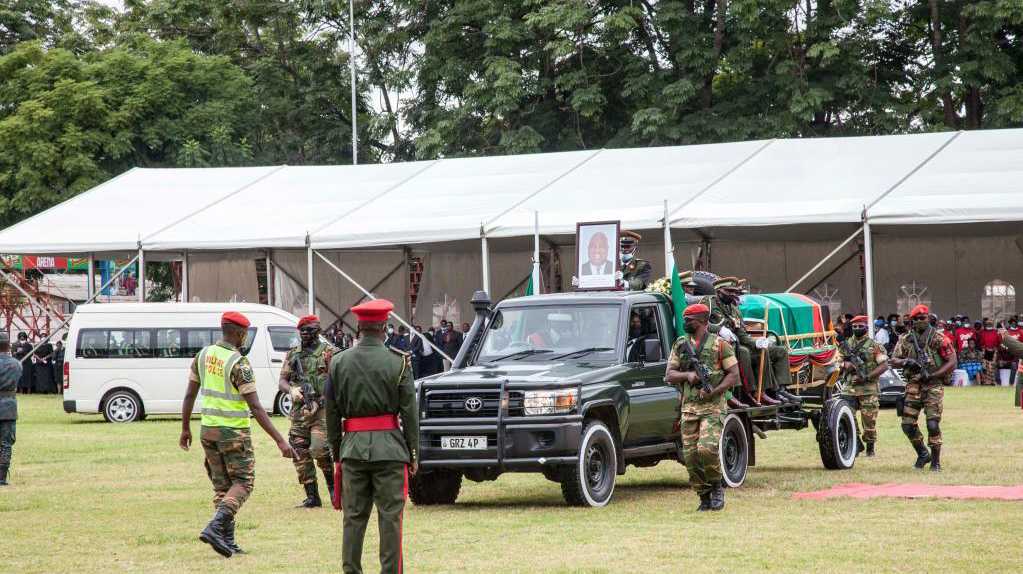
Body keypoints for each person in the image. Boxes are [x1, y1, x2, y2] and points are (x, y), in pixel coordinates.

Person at [179, 311, 295, 558]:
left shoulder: (203, 355)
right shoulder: (238, 362)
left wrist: (185, 428)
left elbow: (189, 395)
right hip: (233, 433)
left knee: (223, 487)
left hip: (207, 431)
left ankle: (227, 541)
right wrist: (280, 441)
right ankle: (214, 527)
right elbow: (255, 407)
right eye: (245, 334)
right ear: (239, 333)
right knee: (243, 483)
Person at [325, 299, 419, 574]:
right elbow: (409, 414)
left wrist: (337, 454)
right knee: (390, 520)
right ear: (383, 327)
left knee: (353, 519)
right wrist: (413, 453)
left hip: (352, 450)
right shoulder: (398, 362)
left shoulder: (338, 362)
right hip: (390, 450)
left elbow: (331, 414)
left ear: (359, 327)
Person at [664, 303, 739, 511]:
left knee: (706, 449)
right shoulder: (681, 344)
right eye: (685, 319)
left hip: (713, 407)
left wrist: (714, 390)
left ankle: (716, 486)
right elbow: (669, 374)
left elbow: (733, 374)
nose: (685, 323)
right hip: (689, 408)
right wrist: (688, 375)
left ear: (703, 322)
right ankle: (704, 495)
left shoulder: (720, 345)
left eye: (689, 320)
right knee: (690, 456)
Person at [702, 276, 796, 407]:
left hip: (736, 343)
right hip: (716, 345)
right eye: (729, 292)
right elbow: (699, 323)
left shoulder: (734, 309)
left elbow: (741, 333)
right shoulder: (708, 304)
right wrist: (719, 329)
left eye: (734, 292)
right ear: (719, 291)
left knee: (764, 351)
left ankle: (767, 391)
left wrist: (756, 343)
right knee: (744, 352)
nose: (733, 295)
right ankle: (747, 392)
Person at [279, 315, 337, 508]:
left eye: (309, 330)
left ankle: (334, 491)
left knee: (320, 449)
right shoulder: (293, 354)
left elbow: (337, 381)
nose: (305, 334)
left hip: (321, 411)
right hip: (299, 411)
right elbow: (282, 381)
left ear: (318, 330)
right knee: (299, 452)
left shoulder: (329, 353)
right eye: (302, 330)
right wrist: (291, 390)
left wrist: (321, 401)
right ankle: (312, 497)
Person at [889, 304, 956, 472]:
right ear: (912, 321)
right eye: (917, 319)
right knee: (907, 424)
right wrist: (906, 362)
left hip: (933, 385)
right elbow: (894, 359)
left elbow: (952, 361)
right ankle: (922, 454)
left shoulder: (938, 338)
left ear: (929, 318)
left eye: (923, 318)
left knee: (932, 424)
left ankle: (935, 461)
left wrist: (933, 375)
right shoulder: (905, 339)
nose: (920, 321)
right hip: (913, 385)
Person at [838, 316, 888, 457]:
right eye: (855, 326)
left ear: (866, 327)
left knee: (869, 422)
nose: (857, 329)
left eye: (860, 326)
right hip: (849, 387)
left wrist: (866, 377)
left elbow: (884, 365)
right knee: (848, 418)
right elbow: (837, 362)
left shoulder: (874, 345)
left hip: (868, 388)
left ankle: (870, 448)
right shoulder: (845, 344)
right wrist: (845, 365)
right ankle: (856, 444)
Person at [0, 333, 23, 486]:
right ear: (8, 345)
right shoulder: (16, 364)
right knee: (6, 444)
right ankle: (1, 477)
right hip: (8, 407)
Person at [978, 319, 1000, 386]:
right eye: (988, 324)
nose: (989, 325)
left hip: (994, 351)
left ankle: (992, 381)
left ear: (992, 324)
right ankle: (986, 382)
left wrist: (995, 348)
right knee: (985, 367)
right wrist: (984, 348)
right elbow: (980, 343)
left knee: (992, 367)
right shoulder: (982, 332)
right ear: (986, 325)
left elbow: (998, 342)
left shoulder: (996, 332)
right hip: (985, 351)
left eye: (990, 324)